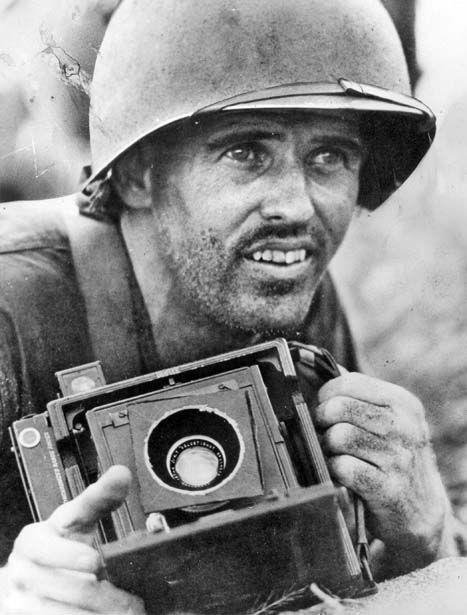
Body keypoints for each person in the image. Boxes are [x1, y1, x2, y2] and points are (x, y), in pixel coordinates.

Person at [0, 0, 465, 613]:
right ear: (137, 174)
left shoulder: (284, 287)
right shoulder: (11, 309)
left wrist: (425, 534)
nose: (296, 207)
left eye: (329, 157)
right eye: (246, 154)